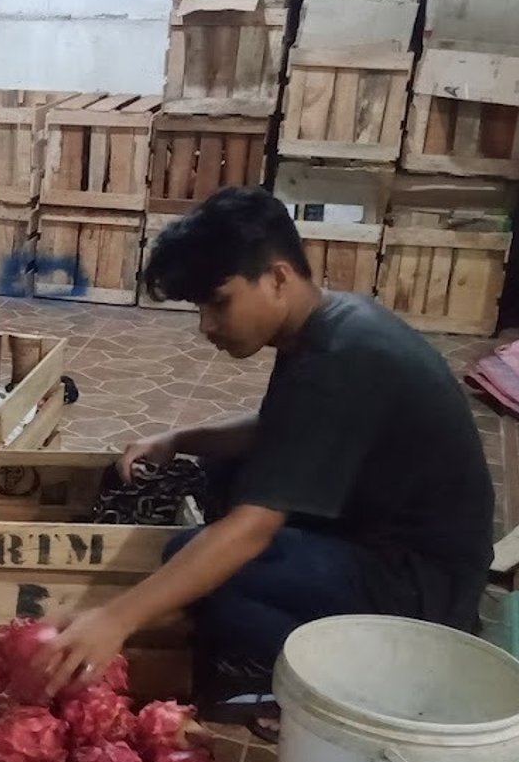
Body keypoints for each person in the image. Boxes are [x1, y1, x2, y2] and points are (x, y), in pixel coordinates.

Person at [30, 186, 495, 703]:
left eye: (219, 302)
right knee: (219, 477)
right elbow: (284, 430)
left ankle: (363, 677)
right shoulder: (330, 323)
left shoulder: (341, 361)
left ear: (277, 276)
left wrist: (116, 619)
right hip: (381, 534)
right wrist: (178, 438)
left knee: (213, 582)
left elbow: (252, 531)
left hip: (421, 588)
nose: (207, 325)